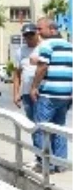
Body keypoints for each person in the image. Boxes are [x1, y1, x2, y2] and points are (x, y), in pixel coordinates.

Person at [30, 16, 73, 171]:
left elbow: (42, 67)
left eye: (40, 28)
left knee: (42, 128)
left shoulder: (47, 45)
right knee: (59, 128)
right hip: (65, 95)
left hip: (48, 94)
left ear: (52, 29)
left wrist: (34, 87)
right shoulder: (69, 46)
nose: (38, 32)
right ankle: (60, 164)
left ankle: (46, 164)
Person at [13, 22, 42, 121]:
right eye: (26, 35)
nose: (29, 37)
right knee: (32, 122)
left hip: (41, 92)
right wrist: (16, 93)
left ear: (37, 33)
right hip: (26, 93)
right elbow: (17, 74)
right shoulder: (20, 51)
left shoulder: (44, 48)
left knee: (42, 123)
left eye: (31, 34)